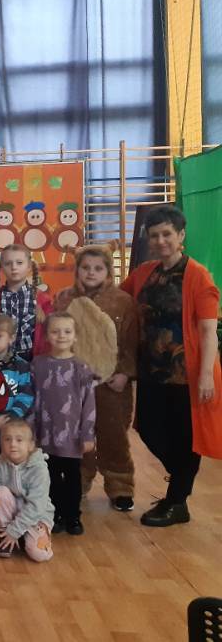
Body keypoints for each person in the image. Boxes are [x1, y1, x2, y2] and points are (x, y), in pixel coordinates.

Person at [121, 205, 222, 527]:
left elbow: (208, 331)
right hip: (151, 370)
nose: (161, 240)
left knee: (185, 438)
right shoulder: (144, 273)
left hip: (187, 374)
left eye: (167, 234)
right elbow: (116, 299)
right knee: (149, 430)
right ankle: (180, 482)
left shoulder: (198, 276)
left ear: (181, 235)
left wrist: (205, 375)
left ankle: (177, 500)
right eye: (154, 235)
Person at [54, 245, 138, 512]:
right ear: (77, 269)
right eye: (86, 267)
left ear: (108, 271)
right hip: (74, 383)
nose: (91, 273)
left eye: (98, 268)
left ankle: (120, 485)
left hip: (111, 382)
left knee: (114, 434)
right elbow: (54, 336)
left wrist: (125, 372)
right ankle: (79, 479)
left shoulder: (123, 301)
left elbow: (131, 341)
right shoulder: (64, 299)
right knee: (78, 434)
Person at [32, 312, 96, 535]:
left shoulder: (81, 368)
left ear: (75, 336)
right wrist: (31, 431)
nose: (61, 336)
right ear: (46, 336)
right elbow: (31, 399)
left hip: (72, 436)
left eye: (67, 331)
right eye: (55, 331)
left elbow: (89, 404)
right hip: (45, 435)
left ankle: (73, 516)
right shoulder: (38, 365)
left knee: (72, 477)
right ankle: (55, 514)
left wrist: (87, 434)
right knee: (49, 477)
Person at [0, 418, 55, 561]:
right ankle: (3, 534)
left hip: (35, 516)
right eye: (7, 439)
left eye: (19, 440)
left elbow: (37, 506)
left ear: (30, 445)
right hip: (9, 511)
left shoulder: (39, 469)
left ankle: (23, 536)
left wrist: (15, 531)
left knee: (40, 555)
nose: (13, 444)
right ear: (1, 443)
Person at [0, 244, 54, 361]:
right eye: (8, 263)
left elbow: (50, 334)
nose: (14, 267)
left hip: (32, 362)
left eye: (19, 263)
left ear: (29, 266)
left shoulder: (42, 300)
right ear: (2, 267)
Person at [0, 312, 34, 477]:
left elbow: (26, 395)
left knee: (14, 467)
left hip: (14, 430)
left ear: (11, 338)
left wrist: (10, 419)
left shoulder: (21, 366)